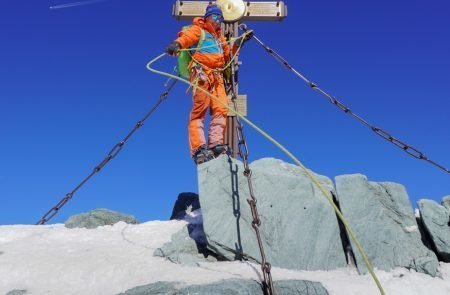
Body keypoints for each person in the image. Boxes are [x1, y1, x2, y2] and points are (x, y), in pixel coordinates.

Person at [166, 4, 251, 165]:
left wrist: (238, 42)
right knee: (200, 110)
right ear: (207, 17)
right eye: (215, 17)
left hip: (217, 76)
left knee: (221, 109)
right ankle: (198, 148)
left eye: (220, 18)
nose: (218, 21)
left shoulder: (219, 39)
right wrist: (177, 44)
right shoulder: (200, 30)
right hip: (201, 73)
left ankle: (216, 144)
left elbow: (227, 55)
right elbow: (187, 38)